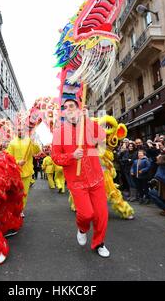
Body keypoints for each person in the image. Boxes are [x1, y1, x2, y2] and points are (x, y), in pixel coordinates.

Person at [51, 99, 110, 258]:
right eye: (65, 107)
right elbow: (55, 157)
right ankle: (82, 229)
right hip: (77, 182)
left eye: (72, 106)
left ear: (78, 109)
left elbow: (102, 138)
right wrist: (71, 156)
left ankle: (99, 243)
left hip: (96, 178)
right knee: (86, 214)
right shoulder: (59, 132)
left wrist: (87, 119)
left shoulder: (88, 125)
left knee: (101, 215)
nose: (68, 109)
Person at [6, 126, 41, 212]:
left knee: (24, 193)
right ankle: (14, 208)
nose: (20, 131)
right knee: (15, 193)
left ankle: (21, 209)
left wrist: (34, 141)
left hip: (27, 172)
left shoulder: (29, 141)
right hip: (15, 172)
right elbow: (7, 156)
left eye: (21, 129)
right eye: (18, 129)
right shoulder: (12, 143)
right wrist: (17, 162)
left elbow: (36, 151)